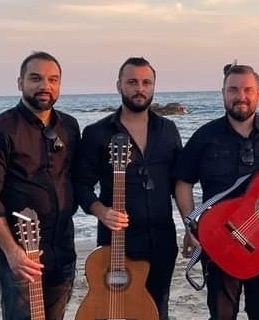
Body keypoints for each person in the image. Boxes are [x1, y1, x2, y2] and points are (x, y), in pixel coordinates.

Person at [173, 63, 259, 320]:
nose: (241, 96)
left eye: (248, 90)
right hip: (218, 241)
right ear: (223, 93)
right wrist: (189, 225)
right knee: (221, 315)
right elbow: (183, 182)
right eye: (233, 89)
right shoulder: (205, 136)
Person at [0, 51, 81, 320]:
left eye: (53, 79)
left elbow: (77, 178)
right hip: (20, 253)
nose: (45, 86)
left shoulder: (69, 126)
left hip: (62, 247)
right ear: (20, 83)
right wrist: (12, 252)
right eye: (36, 79)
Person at [74, 57, 182, 320]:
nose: (139, 88)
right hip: (117, 243)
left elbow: (179, 183)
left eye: (146, 82)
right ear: (119, 85)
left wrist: (191, 227)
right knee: (115, 310)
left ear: (154, 87)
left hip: (162, 240)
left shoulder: (168, 130)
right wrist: (101, 211)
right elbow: (80, 185)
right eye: (132, 82)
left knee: (157, 309)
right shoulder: (96, 133)